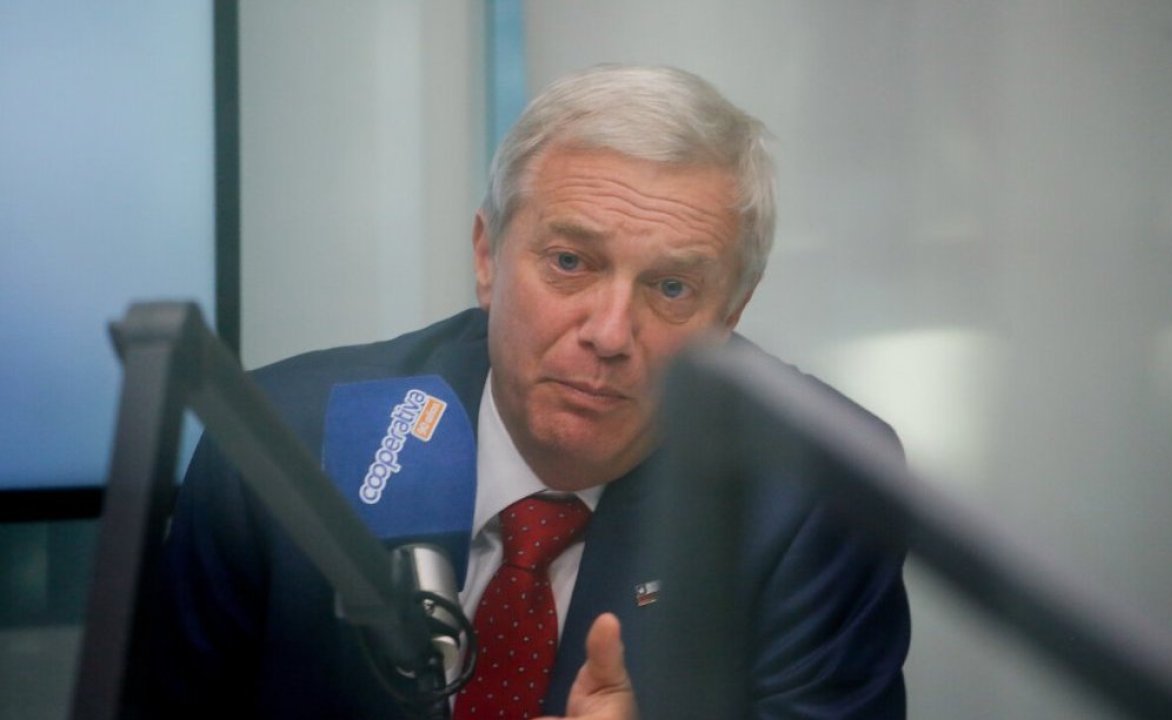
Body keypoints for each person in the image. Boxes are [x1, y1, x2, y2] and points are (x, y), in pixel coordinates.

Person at [130, 64, 909, 719]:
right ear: (486, 257)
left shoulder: (818, 495)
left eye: (672, 287)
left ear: (731, 316)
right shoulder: (280, 447)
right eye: (570, 262)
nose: (609, 333)